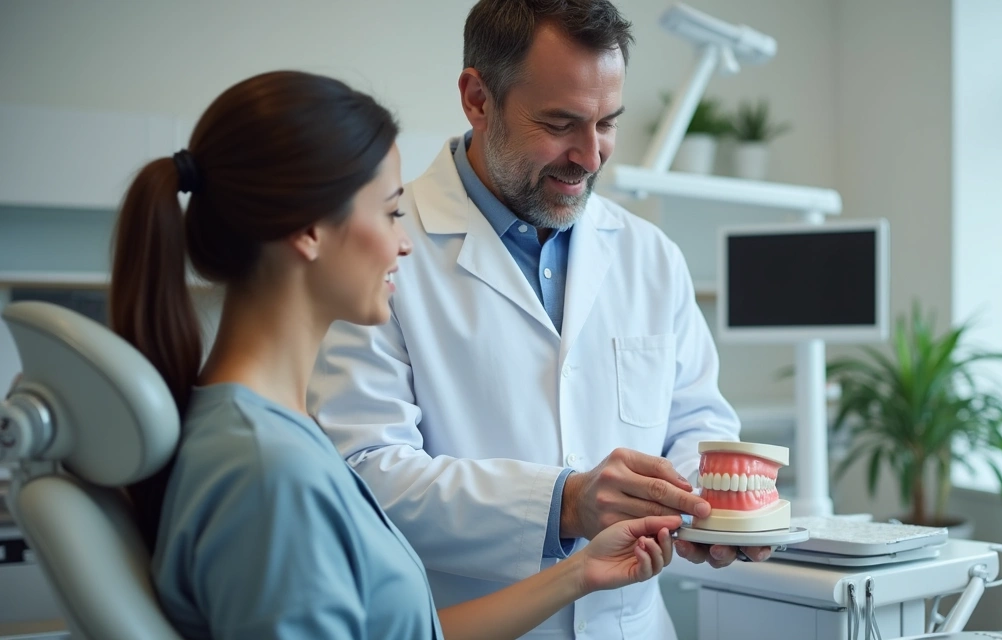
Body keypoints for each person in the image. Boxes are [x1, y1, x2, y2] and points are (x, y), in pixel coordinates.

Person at [109, 69, 680, 640]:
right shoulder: (269, 474)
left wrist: (579, 572)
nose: (404, 242)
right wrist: (567, 505)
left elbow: (400, 632)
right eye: (388, 212)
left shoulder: (267, 436)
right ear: (308, 231)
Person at [308, 2, 767, 638]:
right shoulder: (382, 249)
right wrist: (563, 504)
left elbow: (697, 421)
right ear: (477, 99)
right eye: (560, 123)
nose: (591, 155)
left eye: (608, 123)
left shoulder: (648, 254)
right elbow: (363, 473)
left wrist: (702, 508)